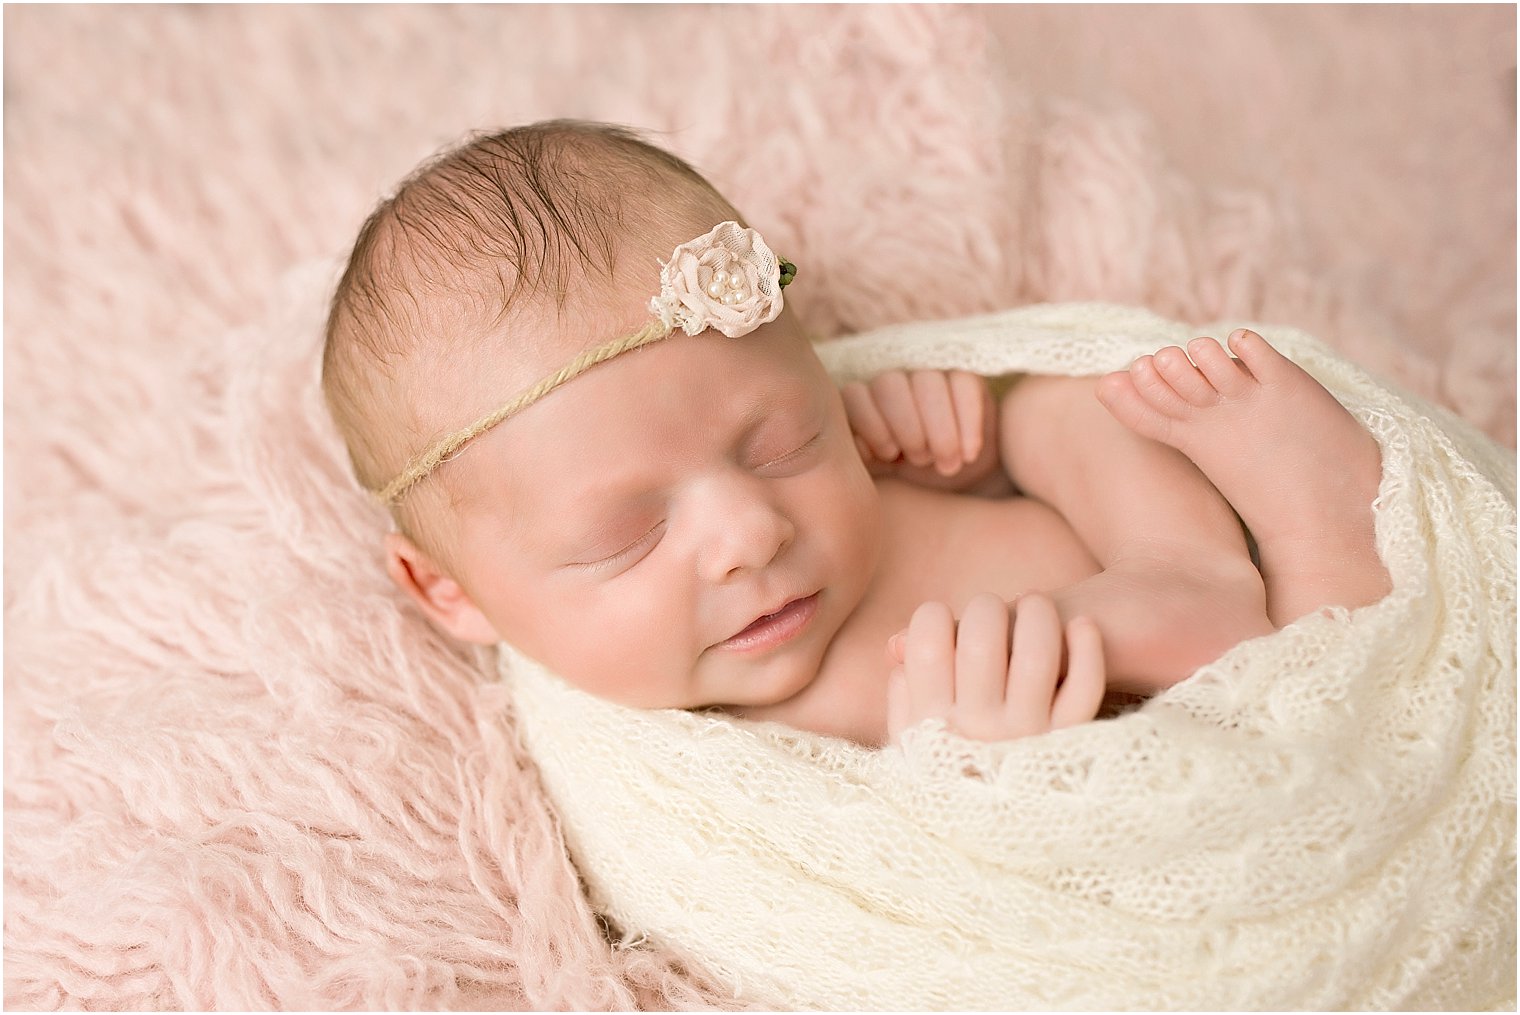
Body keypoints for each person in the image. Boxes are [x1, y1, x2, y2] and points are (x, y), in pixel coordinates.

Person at [321, 120, 1391, 747]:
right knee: (1320, 751)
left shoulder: (859, 477)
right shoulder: (658, 762)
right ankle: (1322, 553)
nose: (750, 529)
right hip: (1151, 753)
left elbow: (1013, 415)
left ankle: (1210, 558)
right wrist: (986, 776)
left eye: (782, 440)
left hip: (1179, 575)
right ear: (447, 590)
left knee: (1067, 406)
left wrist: (974, 445)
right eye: (627, 535)